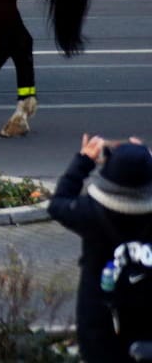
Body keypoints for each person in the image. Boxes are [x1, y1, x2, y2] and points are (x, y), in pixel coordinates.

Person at [48, 134, 152, 362]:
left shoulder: (90, 213)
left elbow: (57, 204)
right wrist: (143, 160)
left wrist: (84, 160)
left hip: (99, 323)